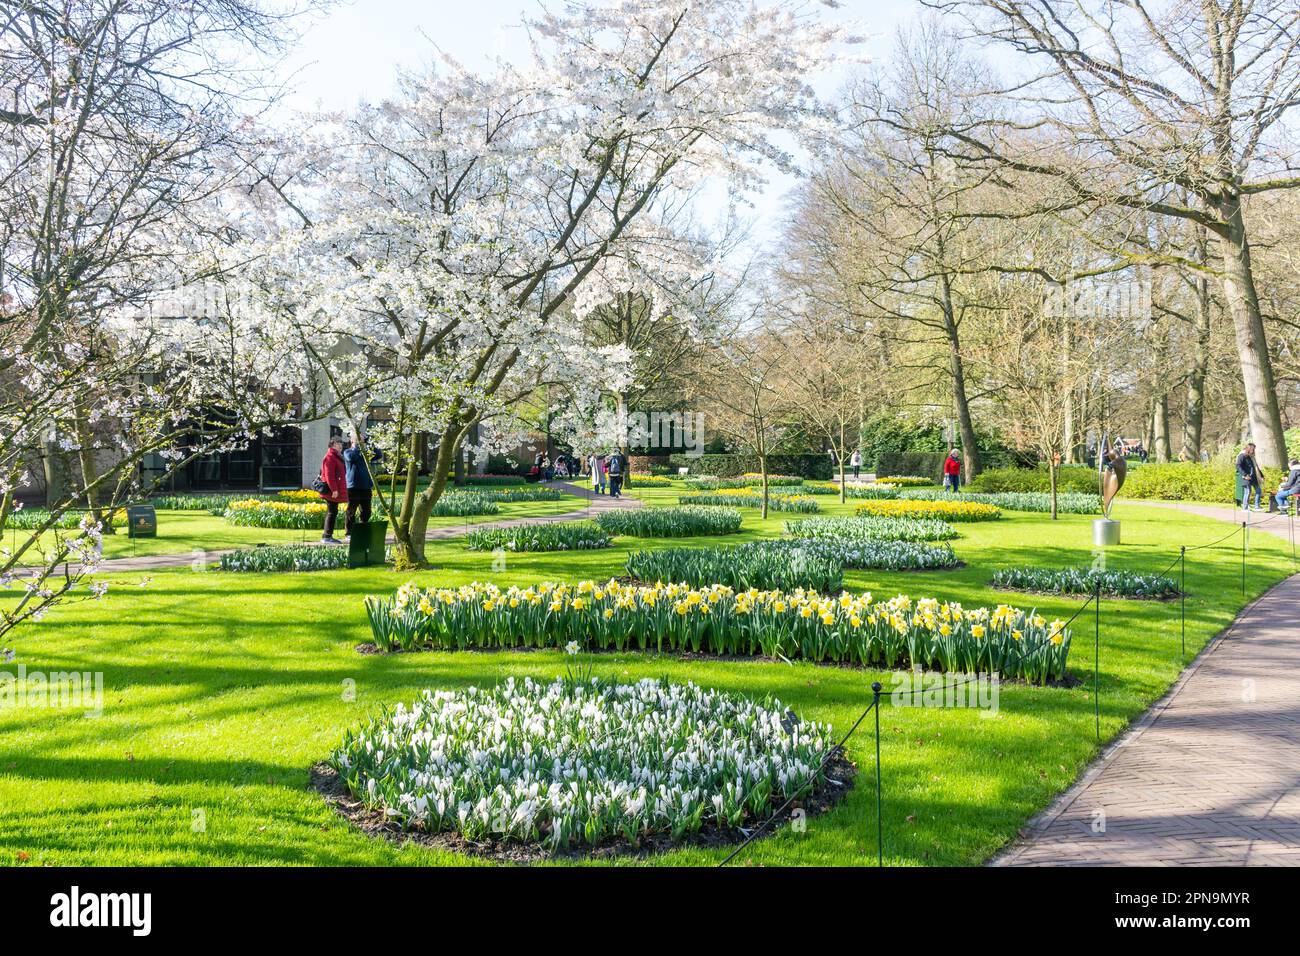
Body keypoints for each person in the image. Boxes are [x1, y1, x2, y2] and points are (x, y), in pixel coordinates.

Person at [318, 436, 348, 543]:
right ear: (332, 445)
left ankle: (327, 536)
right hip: (331, 491)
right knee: (332, 512)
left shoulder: (336, 456)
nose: (341, 445)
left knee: (332, 512)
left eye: (341, 443)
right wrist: (334, 490)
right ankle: (326, 537)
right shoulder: (330, 457)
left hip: (333, 490)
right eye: (338, 443)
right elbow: (329, 475)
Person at [343, 433, 374, 536]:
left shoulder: (365, 453)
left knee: (367, 511)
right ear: (352, 440)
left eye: (361, 440)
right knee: (351, 510)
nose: (361, 441)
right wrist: (357, 446)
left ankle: (362, 531)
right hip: (353, 486)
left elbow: (378, 454)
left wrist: (370, 442)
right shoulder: (347, 451)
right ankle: (349, 533)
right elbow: (352, 458)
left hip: (366, 486)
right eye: (357, 439)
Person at [1237, 442, 1262, 511]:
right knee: (1248, 492)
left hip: (1254, 477)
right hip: (1247, 477)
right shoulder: (1242, 456)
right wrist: (1245, 475)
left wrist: (1261, 475)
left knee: (1258, 491)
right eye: (1253, 449)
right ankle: (1245, 507)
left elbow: (1255, 467)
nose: (1253, 451)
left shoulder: (1251, 457)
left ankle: (1257, 506)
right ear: (1249, 449)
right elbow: (1238, 466)